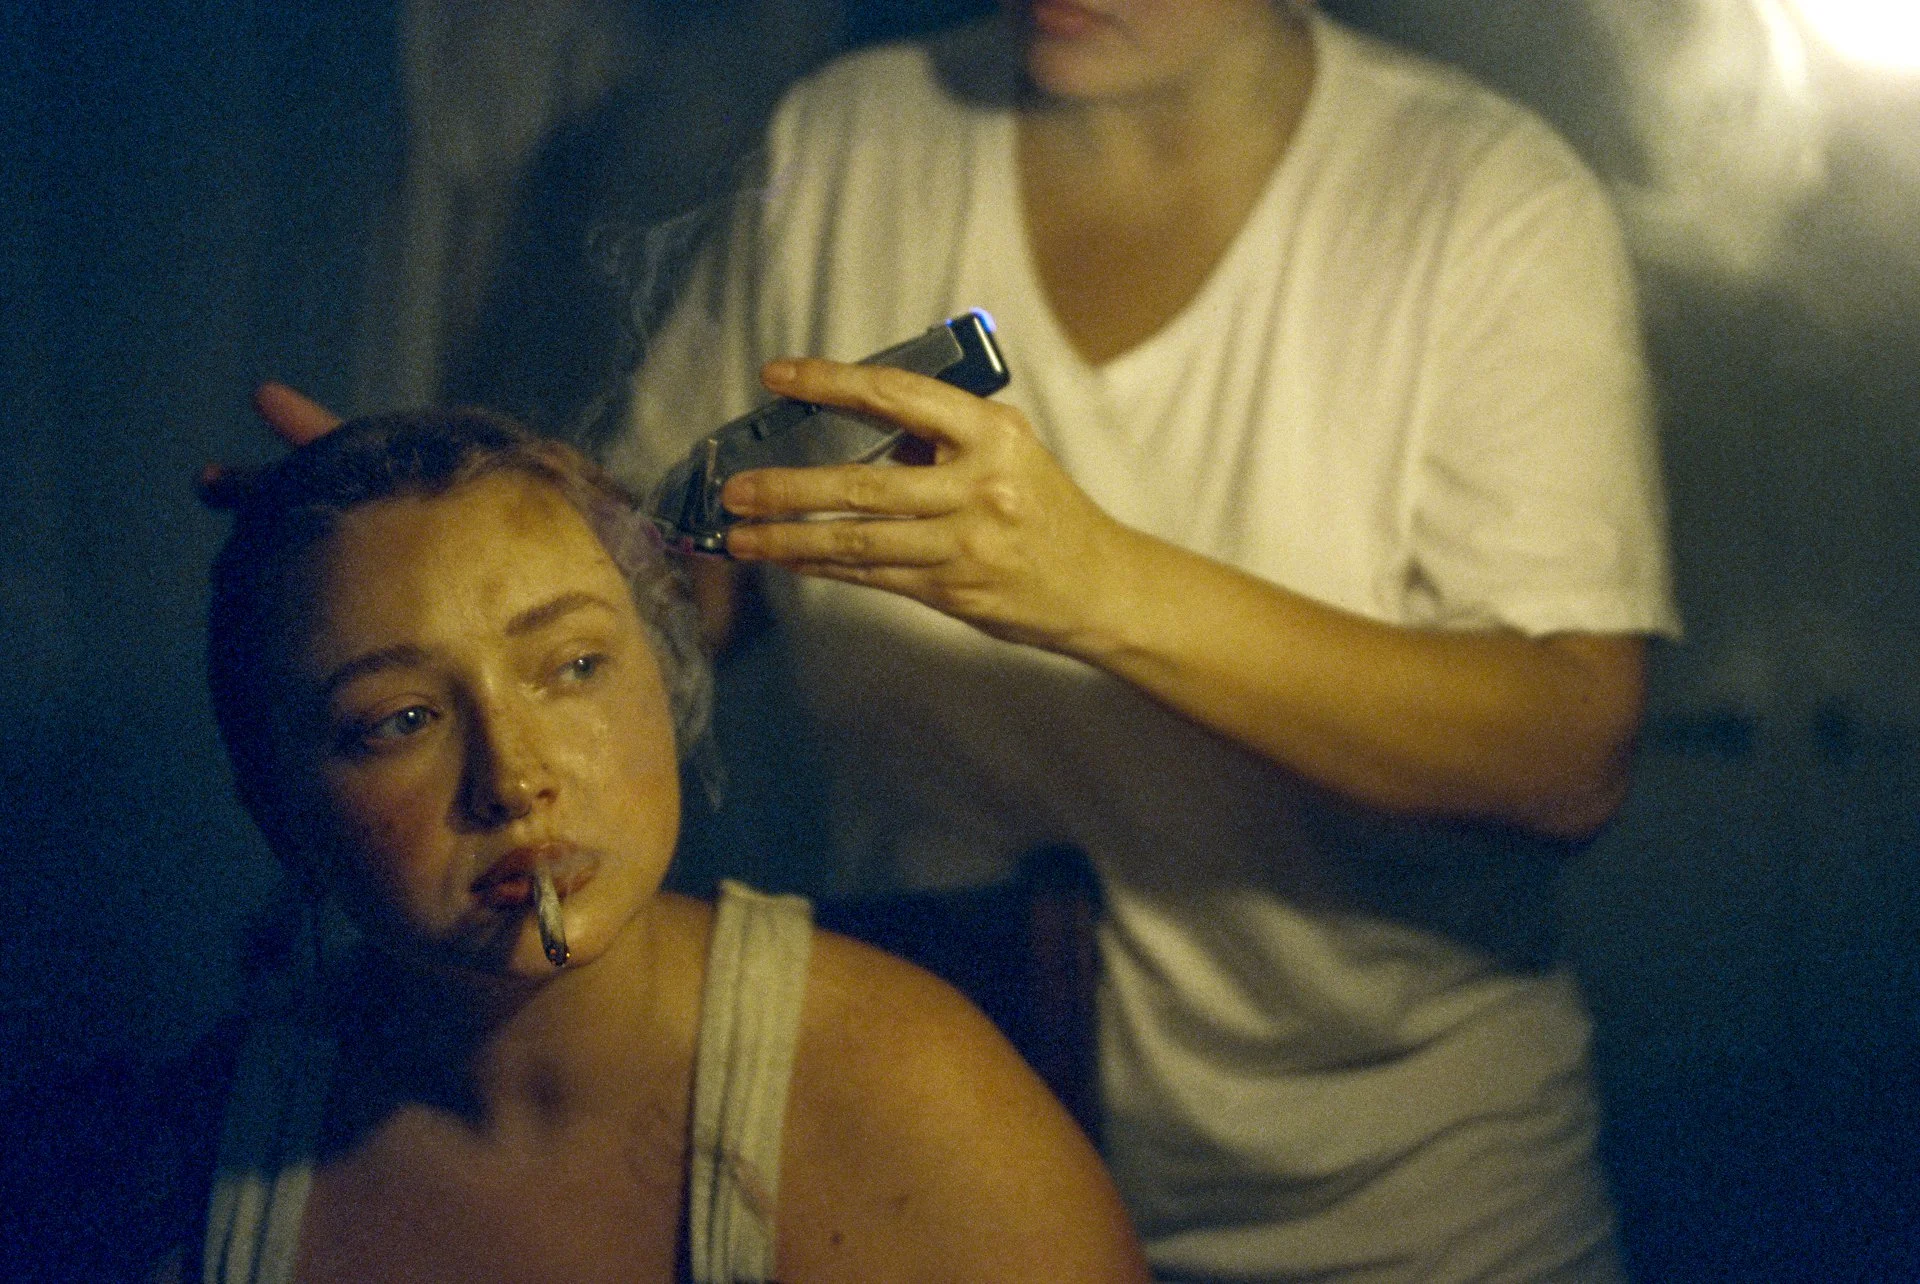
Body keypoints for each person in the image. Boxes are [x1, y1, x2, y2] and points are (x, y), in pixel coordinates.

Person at [592, 1, 1682, 1280]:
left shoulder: (1481, 197)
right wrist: (471, 567)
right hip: (943, 1169)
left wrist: (1092, 582)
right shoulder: (848, 137)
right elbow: (684, 561)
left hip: (1408, 1209)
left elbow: (1566, 753)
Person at [143, 408, 1149, 1283]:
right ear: (275, 808)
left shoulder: (916, 1115)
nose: (514, 777)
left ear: (668, 680)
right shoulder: (174, 1171)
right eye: (400, 719)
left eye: (574, 665)